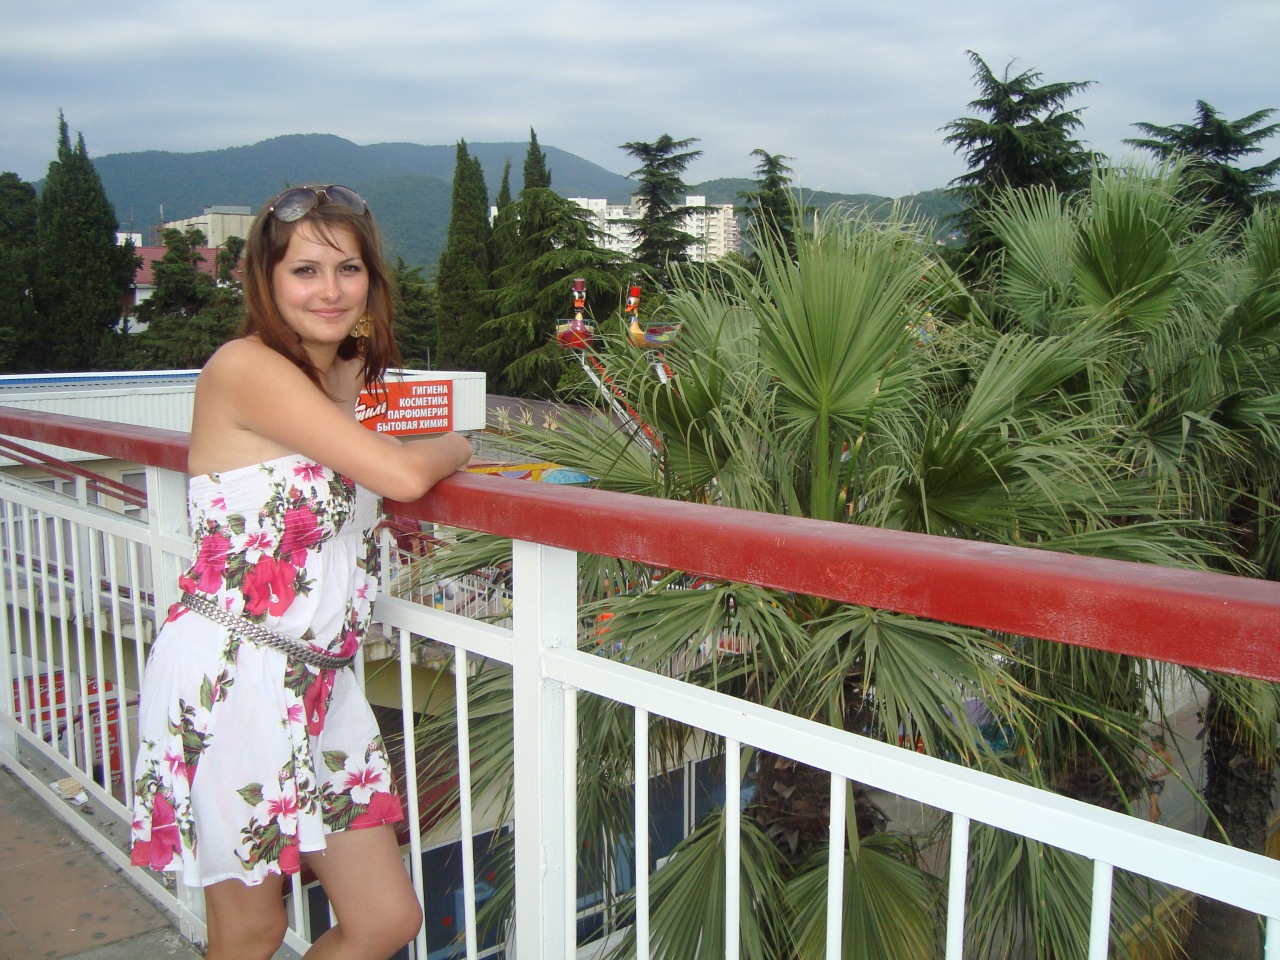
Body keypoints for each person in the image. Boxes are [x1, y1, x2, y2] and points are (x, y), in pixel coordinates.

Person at [128, 184, 473, 960]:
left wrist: (358, 380)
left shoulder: (333, 375)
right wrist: (460, 445)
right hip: (235, 674)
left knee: (385, 920)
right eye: (305, 271)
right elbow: (400, 473)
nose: (330, 290)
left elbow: (348, 458)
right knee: (252, 930)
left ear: (371, 281)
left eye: (348, 269)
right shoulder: (245, 367)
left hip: (319, 679)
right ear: (267, 279)